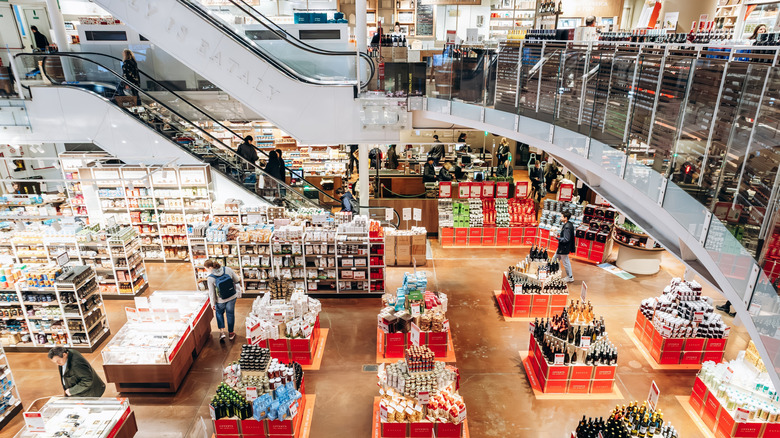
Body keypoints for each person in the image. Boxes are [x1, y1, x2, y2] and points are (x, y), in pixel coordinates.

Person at [205, 259, 241, 341]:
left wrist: (212, 304)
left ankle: (222, 332)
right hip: (232, 296)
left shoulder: (210, 278)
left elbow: (212, 293)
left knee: (219, 313)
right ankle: (231, 333)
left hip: (220, 300)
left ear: (210, 268)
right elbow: (236, 280)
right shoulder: (227, 269)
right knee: (230, 314)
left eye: (206, 269)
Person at [553, 212, 575, 283]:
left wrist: (557, 238)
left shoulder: (567, 227)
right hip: (562, 247)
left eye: (562, 217)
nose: (560, 218)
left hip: (564, 248)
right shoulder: (569, 224)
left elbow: (566, 239)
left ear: (565, 218)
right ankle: (553, 273)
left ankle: (570, 277)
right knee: (554, 259)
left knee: (565, 262)